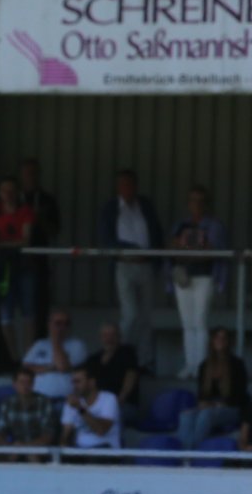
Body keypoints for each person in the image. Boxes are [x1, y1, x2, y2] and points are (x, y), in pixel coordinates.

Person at [97, 169, 163, 370]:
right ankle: (121, 356)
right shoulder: (111, 208)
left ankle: (145, 361)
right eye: (123, 184)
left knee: (147, 316)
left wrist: (156, 256)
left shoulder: (145, 205)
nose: (127, 188)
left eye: (130, 184)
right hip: (124, 264)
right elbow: (106, 238)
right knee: (131, 314)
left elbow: (156, 232)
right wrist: (131, 249)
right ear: (118, 187)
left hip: (146, 265)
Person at [168, 186, 230, 379]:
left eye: (201, 201)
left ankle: (201, 366)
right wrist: (194, 247)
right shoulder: (181, 224)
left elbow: (212, 249)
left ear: (206, 203)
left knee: (200, 321)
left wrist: (188, 248)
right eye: (193, 200)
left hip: (204, 277)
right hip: (183, 277)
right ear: (188, 203)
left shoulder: (214, 225)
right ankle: (190, 364)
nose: (197, 204)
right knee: (187, 323)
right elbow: (172, 247)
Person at [0, 175, 36, 365]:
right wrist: (5, 245)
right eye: (5, 191)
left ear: (18, 192)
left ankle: (28, 360)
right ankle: (15, 360)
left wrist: (1, 244)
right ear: (0, 193)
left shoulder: (25, 211)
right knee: (6, 314)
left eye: (12, 190)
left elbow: (26, 240)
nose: (8, 194)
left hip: (24, 266)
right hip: (2, 269)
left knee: (28, 312)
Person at [178, 327, 248, 450]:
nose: (219, 340)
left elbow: (241, 395)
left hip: (231, 408)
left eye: (223, 338)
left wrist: (215, 404)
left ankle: (194, 452)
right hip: (210, 406)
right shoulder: (204, 365)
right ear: (212, 341)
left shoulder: (237, 364)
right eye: (216, 337)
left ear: (228, 342)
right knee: (186, 416)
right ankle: (183, 454)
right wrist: (203, 404)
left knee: (206, 415)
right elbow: (201, 394)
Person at [18, 157, 61, 339]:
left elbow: (54, 231)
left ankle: (39, 347)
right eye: (27, 173)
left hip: (38, 262)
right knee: (7, 308)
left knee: (39, 307)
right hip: (13, 261)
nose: (31, 177)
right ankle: (6, 354)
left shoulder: (47, 200)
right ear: (21, 175)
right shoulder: (14, 198)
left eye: (34, 173)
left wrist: (39, 218)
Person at [0, 367, 59, 462]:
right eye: (21, 382)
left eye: (29, 382)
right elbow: (0, 432)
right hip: (15, 448)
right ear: (14, 384)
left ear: (33, 384)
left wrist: (26, 447)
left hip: (39, 450)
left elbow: (48, 435)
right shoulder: (7, 403)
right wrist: (9, 447)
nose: (25, 386)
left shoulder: (45, 402)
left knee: (32, 455)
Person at [22, 309, 88, 400]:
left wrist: (56, 341)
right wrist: (51, 367)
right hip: (39, 399)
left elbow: (62, 367)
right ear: (49, 324)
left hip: (66, 399)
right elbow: (26, 368)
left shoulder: (77, 345)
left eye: (66, 323)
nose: (62, 327)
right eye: (58, 323)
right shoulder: (40, 344)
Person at [88, 323, 142, 427]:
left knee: (110, 417)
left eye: (113, 335)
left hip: (124, 405)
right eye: (106, 335)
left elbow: (130, 379)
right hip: (99, 405)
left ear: (119, 337)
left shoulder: (128, 353)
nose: (109, 338)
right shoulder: (94, 359)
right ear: (101, 337)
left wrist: (116, 403)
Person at [61, 365, 121, 454]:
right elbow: (65, 435)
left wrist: (79, 408)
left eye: (78, 382)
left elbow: (101, 430)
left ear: (91, 382)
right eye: (73, 382)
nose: (74, 386)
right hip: (80, 451)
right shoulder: (72, 401)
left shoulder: (109, 398)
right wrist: (64, 449)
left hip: (105, 451)